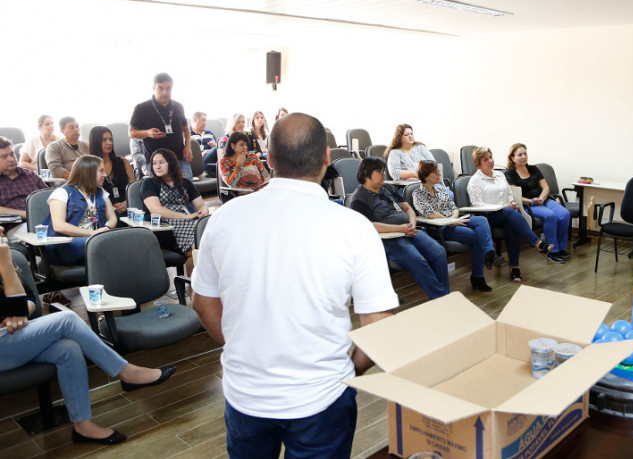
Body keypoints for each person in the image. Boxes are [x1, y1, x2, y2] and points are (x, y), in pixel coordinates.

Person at [192, 113, 398, 459]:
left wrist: (245, 346)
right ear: (327, 158)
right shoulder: (353, 227)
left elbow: (203, 303)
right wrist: (350, 369)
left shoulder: (224, 218)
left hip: (246, 394)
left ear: (269, 158)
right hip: (322, 396)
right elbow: (380, 326)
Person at [0, 229, 176, 446]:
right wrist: (6, 268)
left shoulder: (4, 259)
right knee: (67, 320)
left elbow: (28, 303)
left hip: (9, 338)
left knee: (68, 349)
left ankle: (83, 426)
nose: (1, 230)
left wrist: (16, 310)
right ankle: (126, 372)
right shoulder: (3, 260)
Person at [349, 157, 449, 300]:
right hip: (389, 238)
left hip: (409, 230)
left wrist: (412, 224)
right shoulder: (359, 198)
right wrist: (400, 228)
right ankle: (441, 298)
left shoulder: (387, 188)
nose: (384, 174)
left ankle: (443, 296)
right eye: (379, 171)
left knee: (439, 252)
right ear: (366, 173)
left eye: (384, 171)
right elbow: (369, 225)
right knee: (418, 261)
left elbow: (408, 209)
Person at [466, 147, 553, 283]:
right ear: (478, 163)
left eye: (491, 157)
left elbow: (509, 194)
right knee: (508, 212)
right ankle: (537, 243)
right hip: (487, 216)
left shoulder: (500, 175)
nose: (491, 161)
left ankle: (515, 268)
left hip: (505, 213)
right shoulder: (475, 181)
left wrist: (510, 203)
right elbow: (477, 205)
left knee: (511, 222)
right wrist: (504, 207)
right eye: (486, 159)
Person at [412, 160, 496, 292]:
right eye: (435, 171)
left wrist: (454, 218)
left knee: (481, 220)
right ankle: (478, 276)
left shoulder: (440, 188)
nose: (439, 173)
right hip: (439, 227)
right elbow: (430, 214)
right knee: (476, 236)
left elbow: (453, 207)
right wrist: (449, 221)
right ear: (426, 175)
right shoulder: (418, 194)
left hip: (453, 220)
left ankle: (489, 252)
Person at [42, 155, 118, 267]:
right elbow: (59, 226)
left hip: (95, 241)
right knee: (109, 245)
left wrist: (106, 228)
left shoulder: (101, 192)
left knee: (123, 241)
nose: (105, 175)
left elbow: (112, 218)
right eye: (101, 171)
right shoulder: (62, 193)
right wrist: (92, 234)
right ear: (88, 173)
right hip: (67, 244)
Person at [141, 148, 209, 270]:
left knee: (198, 246)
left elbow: (201, 205)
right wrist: (185, 217)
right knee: (200, 244)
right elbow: (156, 210)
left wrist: (203, 211)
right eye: (154, 163)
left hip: (188, 221)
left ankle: (194, 287)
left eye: (161, 162)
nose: (157, 166)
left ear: (171, 163)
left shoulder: (185, 183)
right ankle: (203, 286)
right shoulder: (149, 183)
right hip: (165, 226)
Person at [505, 143, 571, 263]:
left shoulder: (533, 169)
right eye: (519, 155)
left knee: (564, 214)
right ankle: (552, 251)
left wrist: (541, 198)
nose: (523, 156)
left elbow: (546, 187)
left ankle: (561, 248)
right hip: (527, 204)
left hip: (543, 200)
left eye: (525, 153)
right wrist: (532, 201)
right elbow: (516, 195)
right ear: (512, 158)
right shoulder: (509, 174)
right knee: (550, 216)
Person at [129, 73, 193, 180]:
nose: (165, 92)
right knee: (161, 194)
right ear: (154, 88)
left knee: (187, 191)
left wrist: (188, 146)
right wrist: (147, 133)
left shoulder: (178, 106)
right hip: (155, 162)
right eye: (160, 88)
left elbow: (185, 128)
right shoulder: (142, 108)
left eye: (168, 88)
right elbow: (131, 132)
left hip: (179, 159)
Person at [88, 126, 135, 217]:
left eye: (110, 139)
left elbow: (133, 189)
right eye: (104, 140)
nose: (109, 143)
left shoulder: (123, 162)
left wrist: (126, 203)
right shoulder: (90, 166)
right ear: (95, 142)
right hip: (103, 210)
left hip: (127, 207)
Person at [0, 136, 48, 219]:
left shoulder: (30, 175)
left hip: (43, 218)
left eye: (12, 154)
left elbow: (48, 196)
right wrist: (27, 214)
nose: (11, 159)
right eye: (4, 156)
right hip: (14, 225)